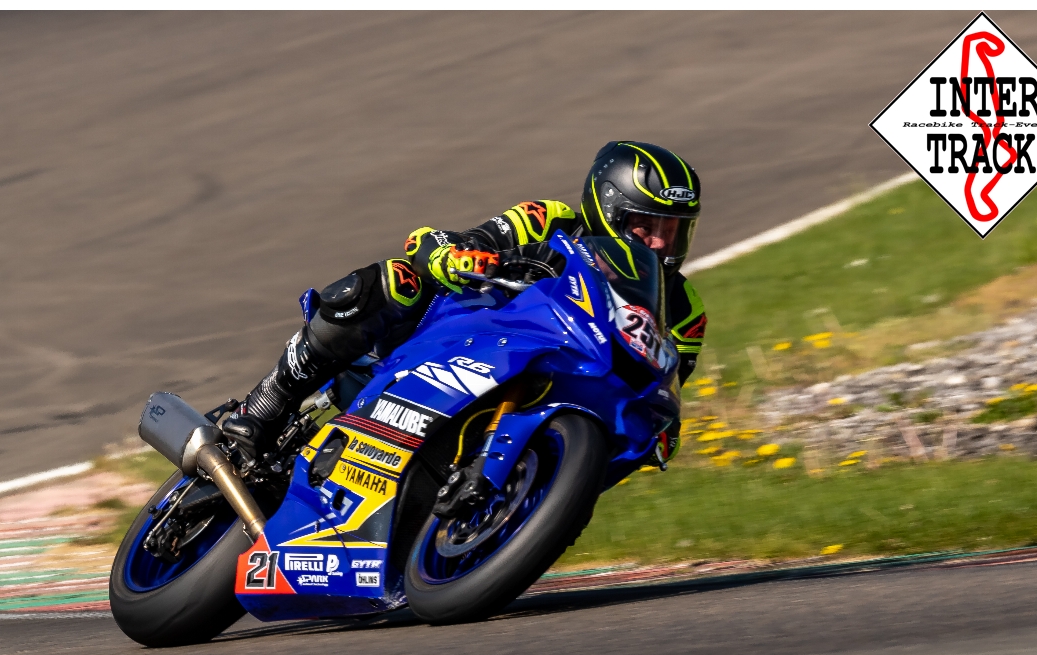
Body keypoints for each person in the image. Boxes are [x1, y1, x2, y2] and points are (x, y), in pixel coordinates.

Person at [222, 141, 706, 465]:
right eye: (646, 226)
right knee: (396, 281)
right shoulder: (550, 221)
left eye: (673, 230)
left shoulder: (684, 311)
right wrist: (455, 255)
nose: (660, 244)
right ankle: (264, 406)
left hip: (559, 386)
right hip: (468, 336)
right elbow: (442, 241)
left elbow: (666, 390)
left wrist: (662, 427)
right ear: (608, 209)